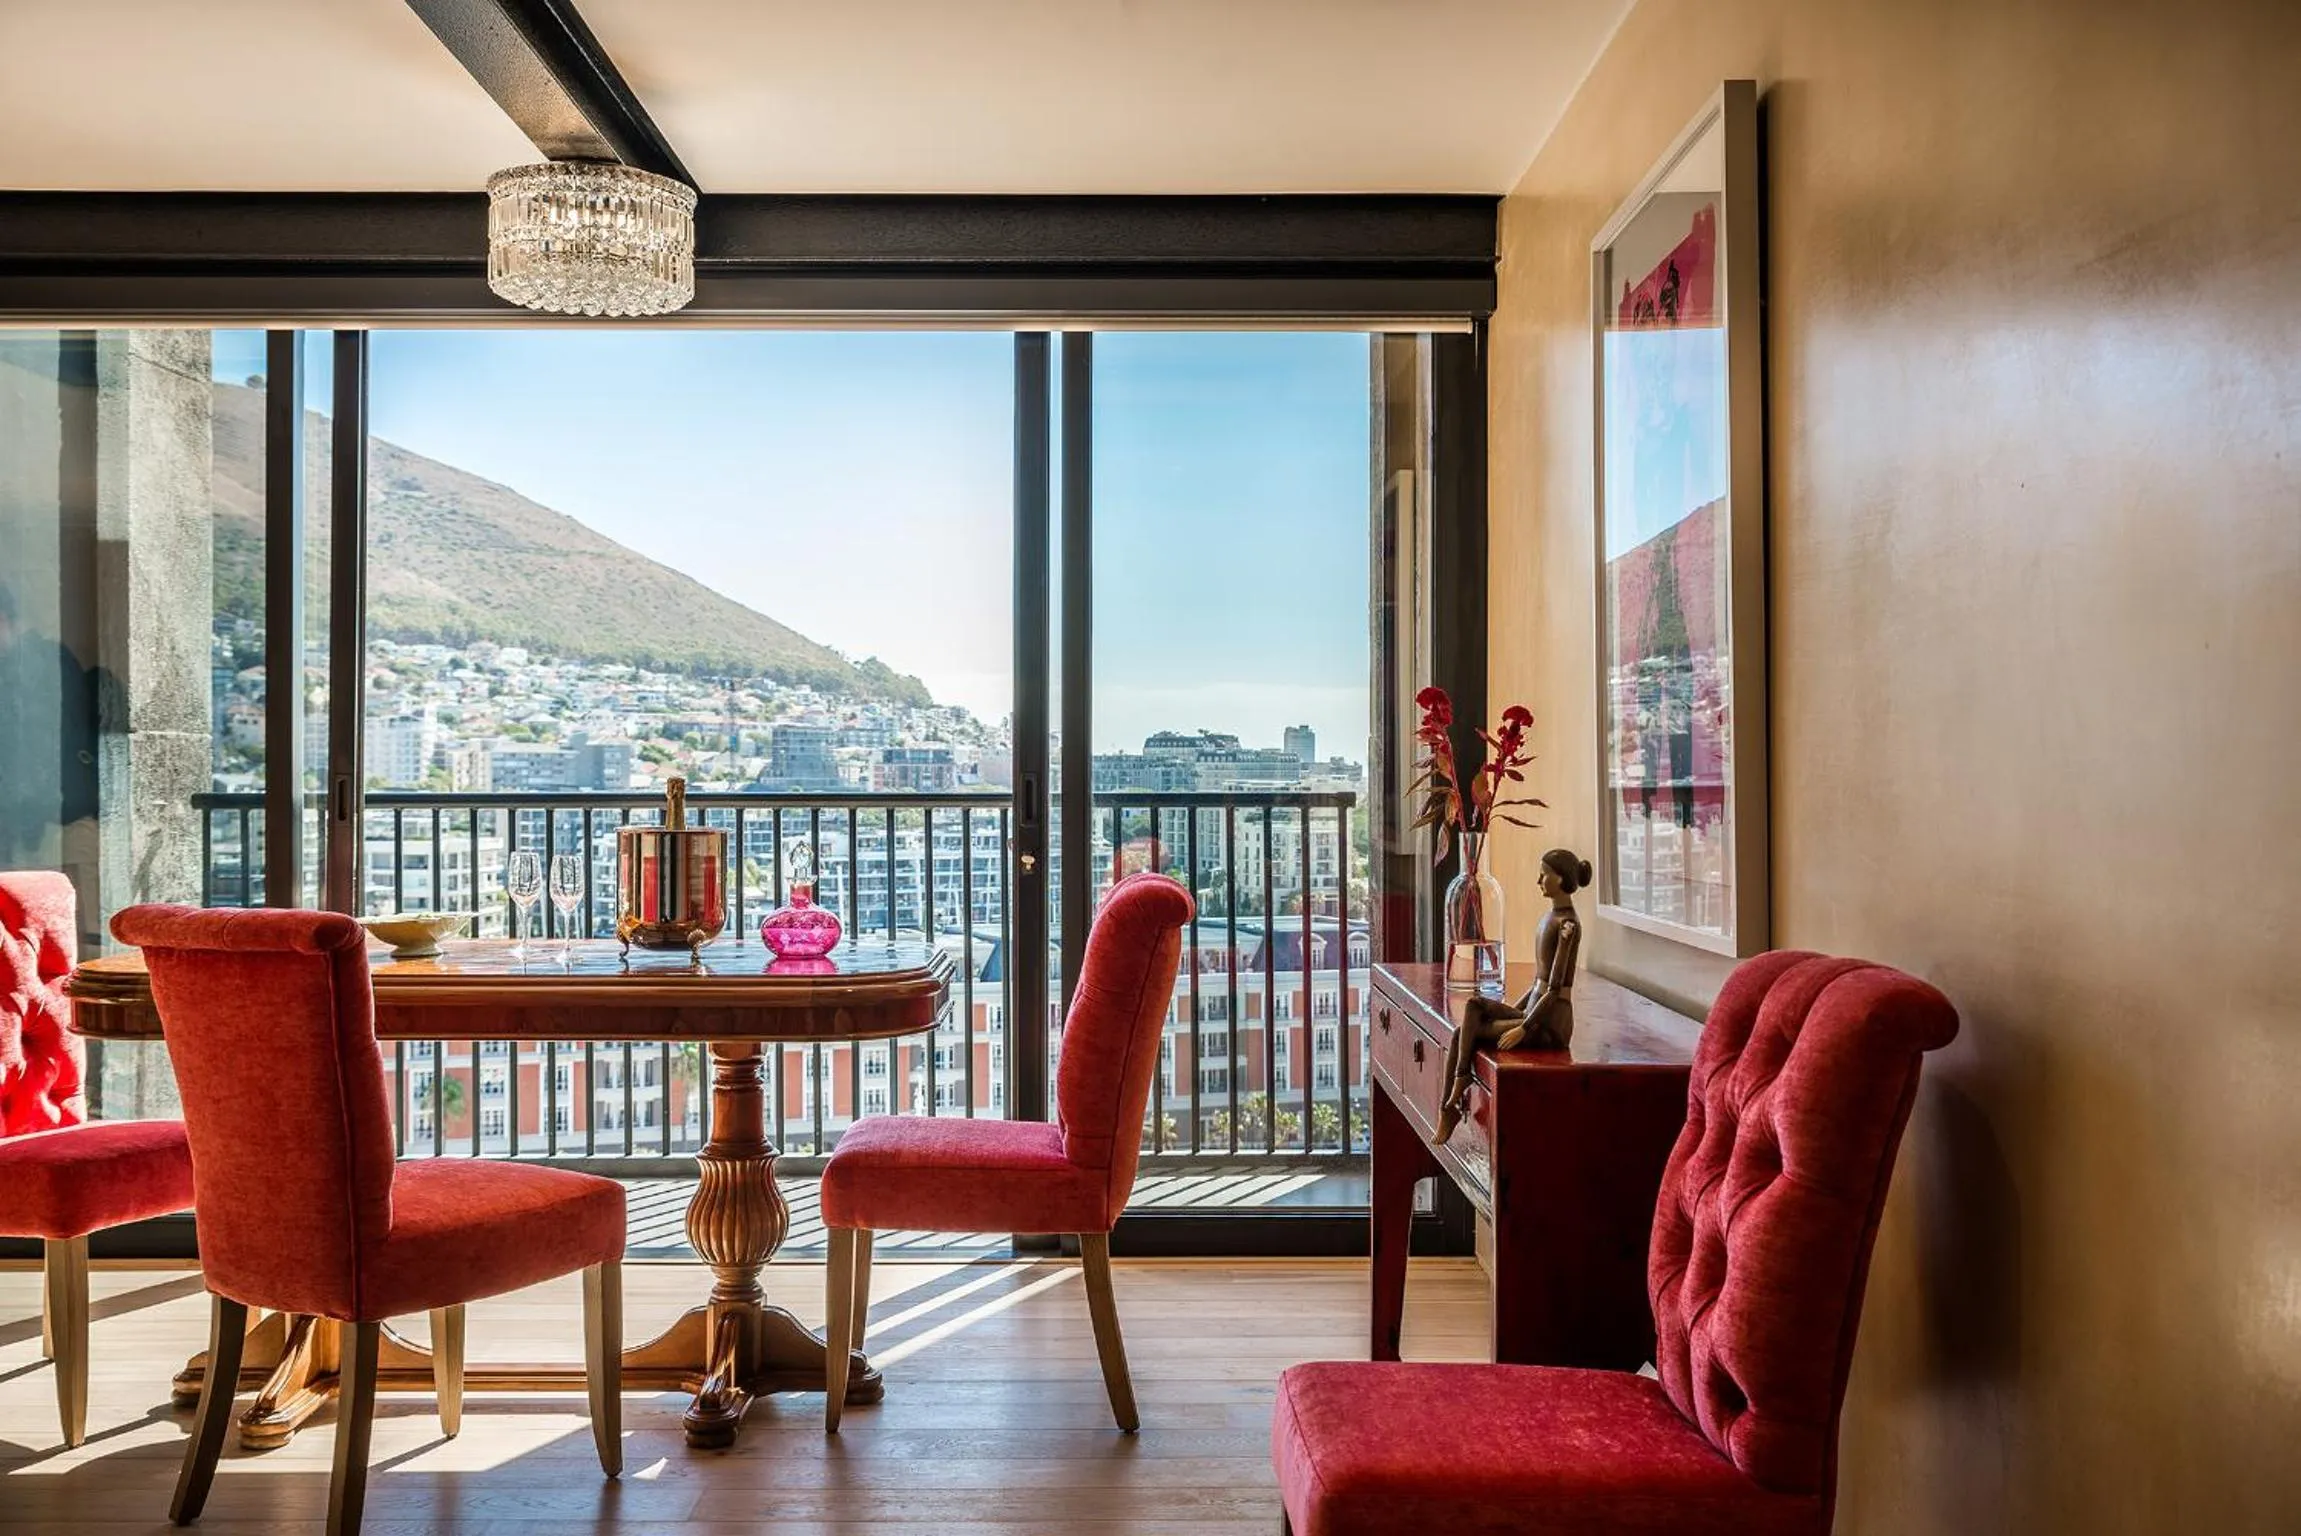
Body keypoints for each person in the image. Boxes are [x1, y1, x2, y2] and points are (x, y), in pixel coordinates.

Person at [1433, 848, 1589, 1143]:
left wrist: (1523, 1027)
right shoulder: (1549, 918)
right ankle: (1454, 1094)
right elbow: (1538, 983)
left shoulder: (1568, 926)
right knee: (1473, 1011)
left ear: (1561, 878)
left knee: (1467, 1033)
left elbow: (1554, 990)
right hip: (1534, 1009)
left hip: (1550, 1024)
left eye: (1545, 874)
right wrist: (1511, 1011)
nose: (1539, 880)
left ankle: (1452, 1100)